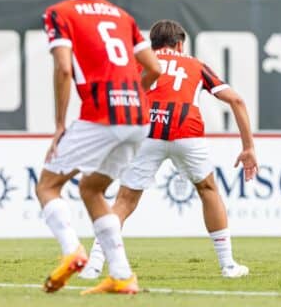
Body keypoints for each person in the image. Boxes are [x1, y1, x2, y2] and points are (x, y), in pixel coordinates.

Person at [78, 19, 258, 280]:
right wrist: (248, 147)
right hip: (188, 131)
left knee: (124, 201)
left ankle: (94, 263)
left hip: (148, 130)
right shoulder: (195, 64)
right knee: (208, 190)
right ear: (180, 43)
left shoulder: (140, 60)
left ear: (152, 44)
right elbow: (237, 100)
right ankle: (228, 266)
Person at [36, 0, 161, 295]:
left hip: (101, 114)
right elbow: (155, 68)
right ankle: (121, 275)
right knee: (91, 189)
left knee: (47, 186)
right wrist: (133, 93)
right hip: (137, 115)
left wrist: (60, 125)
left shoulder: (58, 13)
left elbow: (63, 68)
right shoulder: (122, 16)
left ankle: (71, 251)